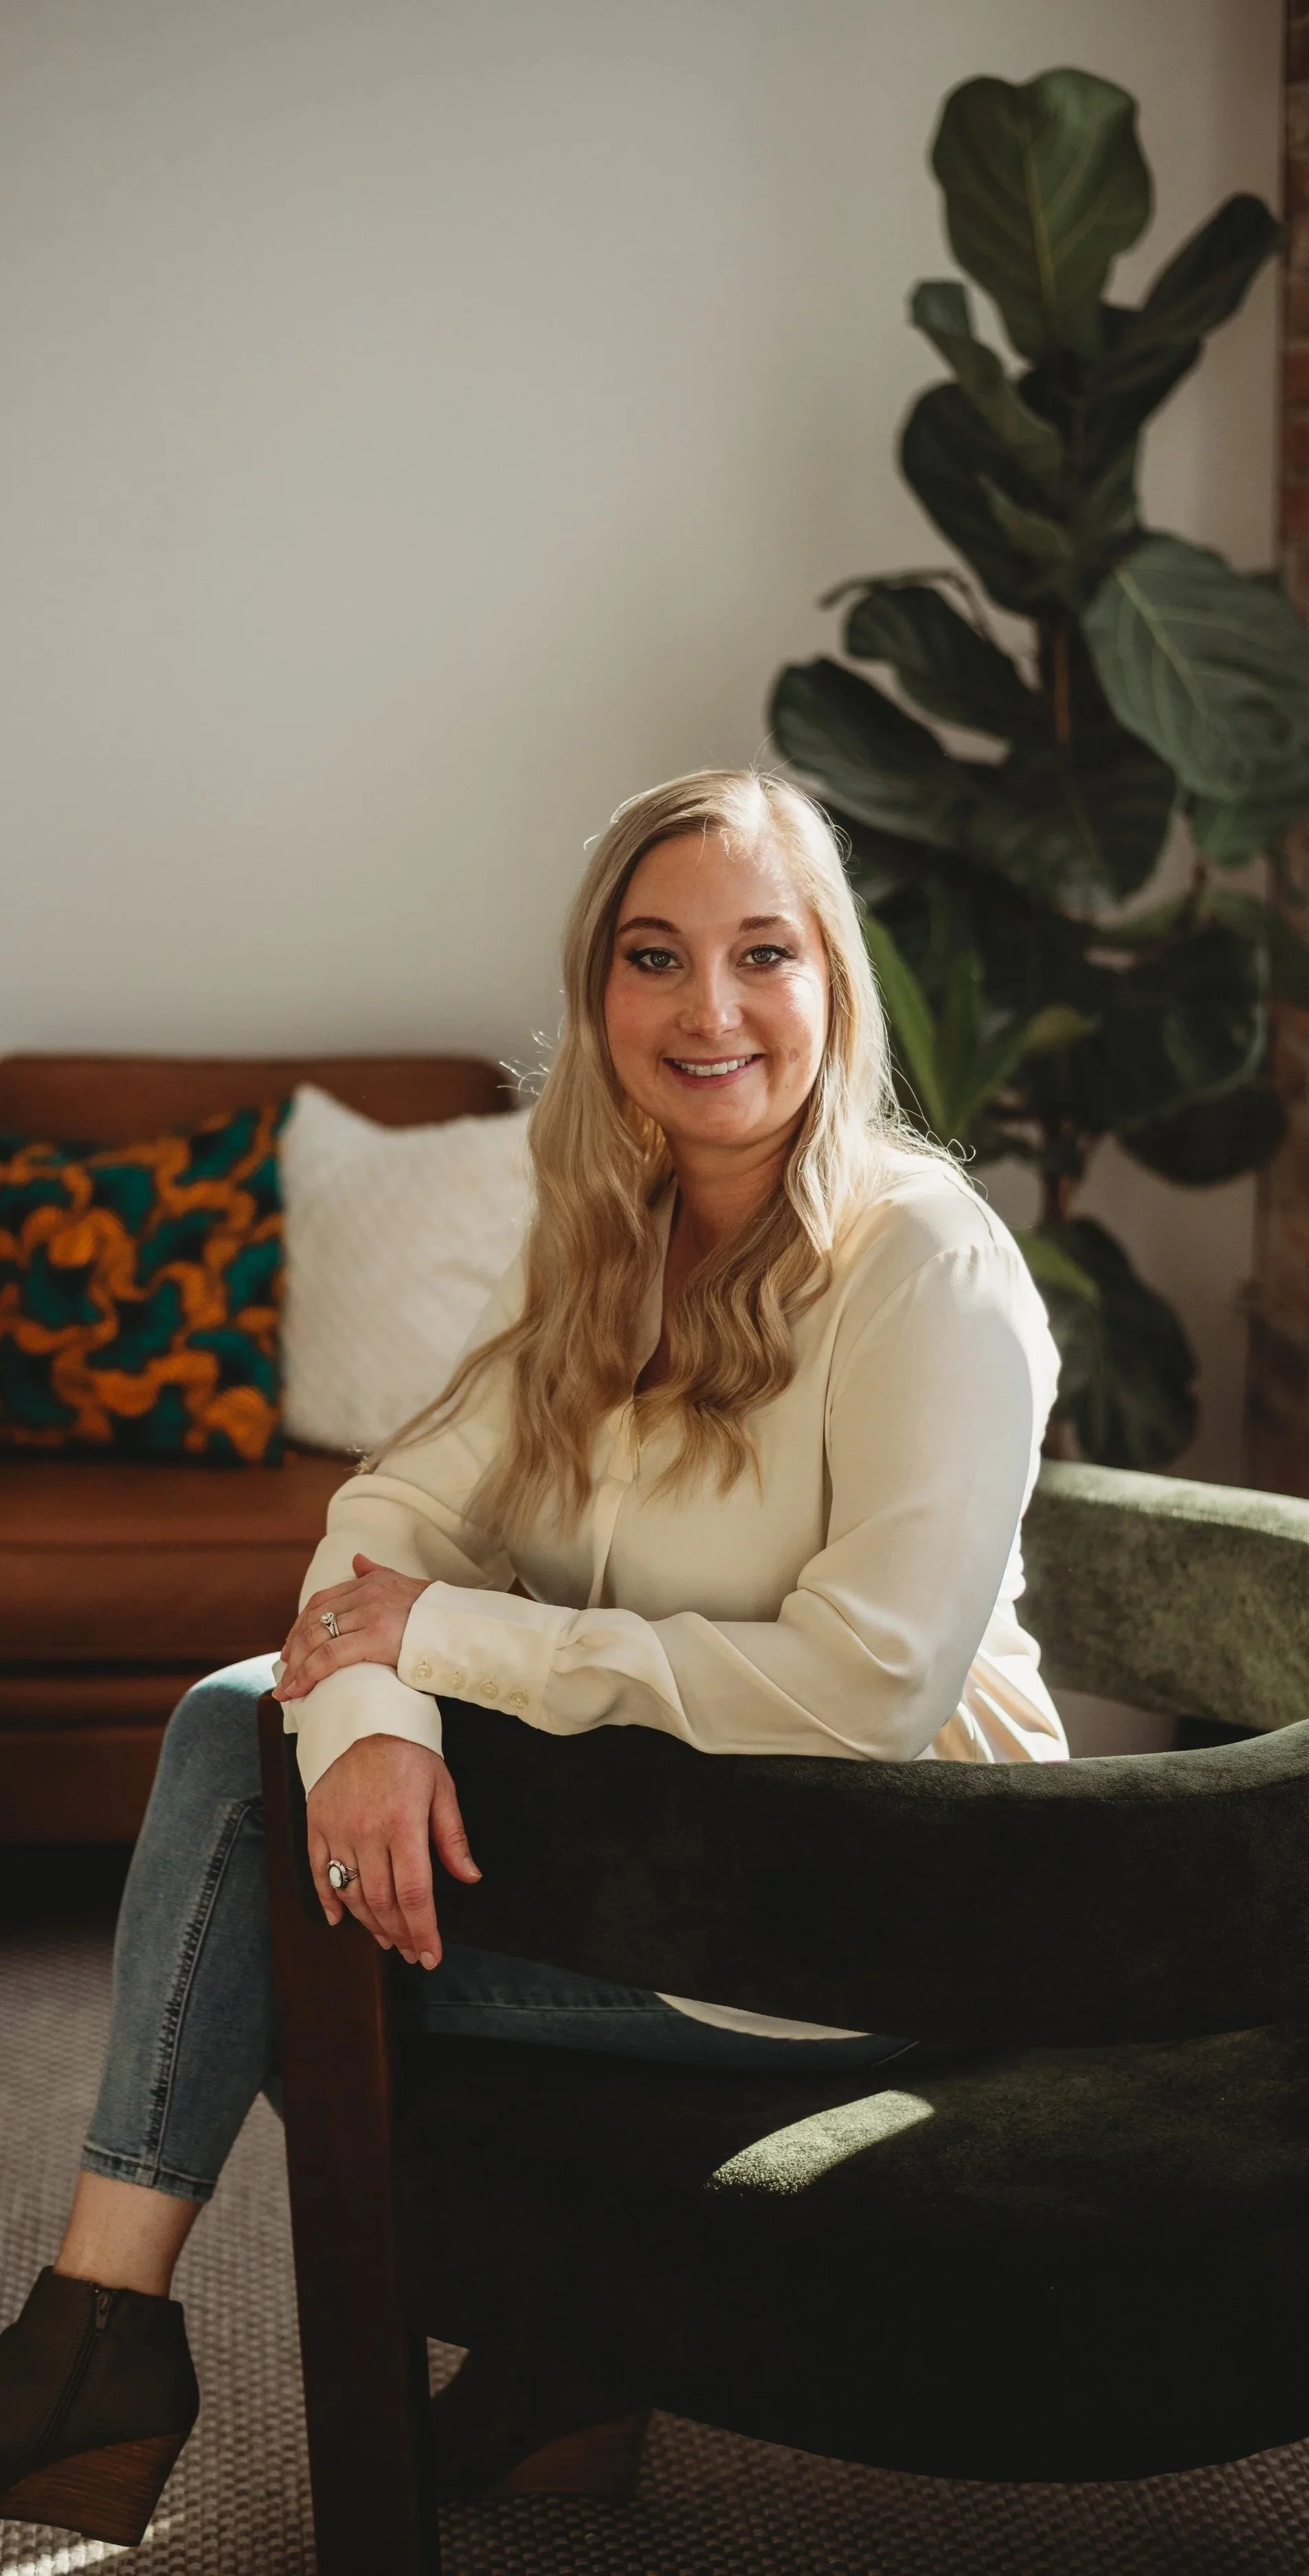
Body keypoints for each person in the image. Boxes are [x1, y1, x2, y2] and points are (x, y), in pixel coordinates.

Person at [0, 768, 1066, 2544]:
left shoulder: (926, 1269)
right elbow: (384, 1521)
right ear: (597, 996)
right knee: (264, 1747)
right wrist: (375, 1711)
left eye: (762, 954)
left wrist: (452, 1644)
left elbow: (859, 1689)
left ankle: (101, 2348)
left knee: (270, 1904)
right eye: (654, 957)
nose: (706, 1009)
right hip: (678, 1870)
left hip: (888, 1914)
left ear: (835, 990)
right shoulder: (607, 1245)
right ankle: (193, 2337)